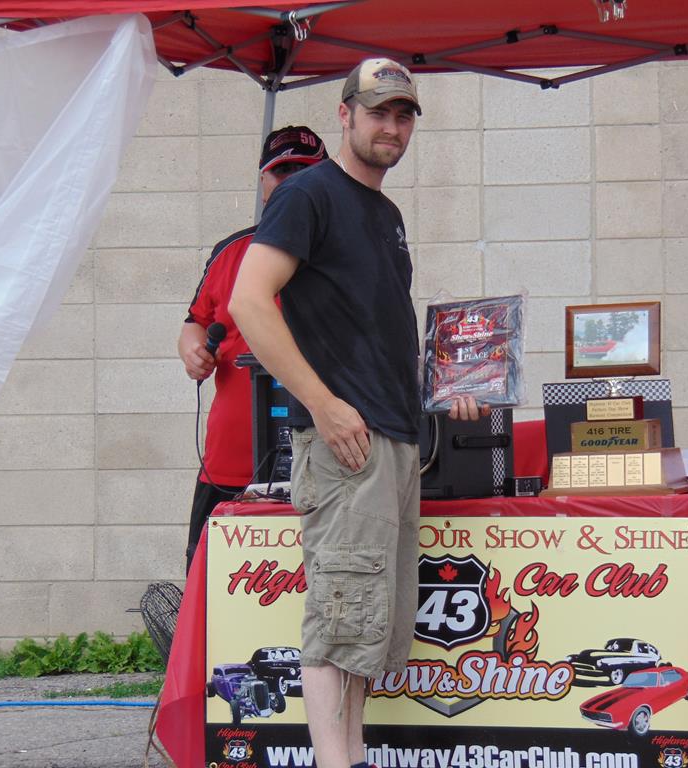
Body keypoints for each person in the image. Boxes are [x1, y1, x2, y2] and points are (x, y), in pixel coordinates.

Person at [229, 58, 485, 768]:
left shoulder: (385, 214)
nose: (391, 128)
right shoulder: (308, 194)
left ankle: (352, 756)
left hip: (392, 442)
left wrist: (450, 387)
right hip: (347, 447)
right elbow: (248, 301)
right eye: (378, 112)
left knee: (369, 627)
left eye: (403, 115)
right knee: (340, 623)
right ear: (344, 115)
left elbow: (375, 334)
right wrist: (324, 405)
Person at [178, 125, 327, 572]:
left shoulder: (346, 253)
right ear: (263, 181)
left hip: (325, 459)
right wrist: (192, 352)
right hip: (230, 460)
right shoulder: (231, 251)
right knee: (210, 585)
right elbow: (195, 322)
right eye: (281, 172)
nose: (292, 183)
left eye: (304, 172)